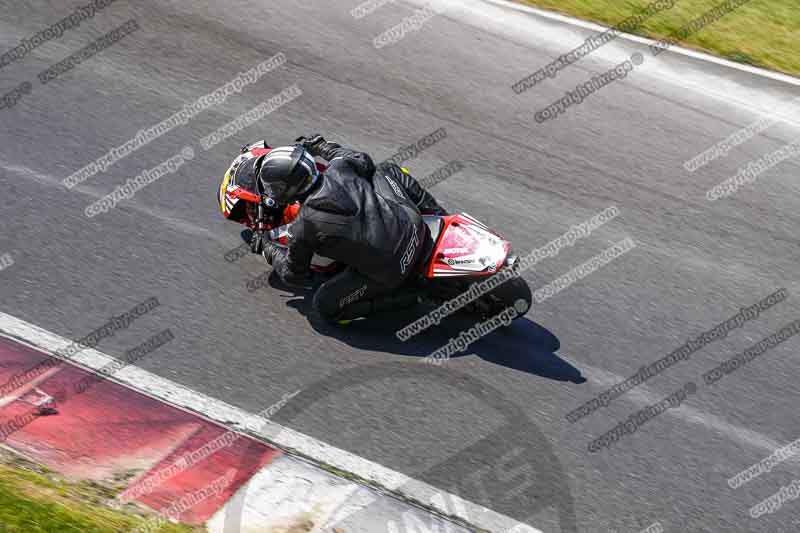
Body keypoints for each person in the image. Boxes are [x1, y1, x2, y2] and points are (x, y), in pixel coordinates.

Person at [218, 135, 448, 323]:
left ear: (286, 189)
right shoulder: (340, 169)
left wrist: (267, 247)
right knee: (385, 169)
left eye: (273, 187)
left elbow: (294, 275)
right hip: (415, 224)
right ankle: (441, 218)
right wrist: (321, 146)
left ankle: (416, 295)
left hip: (393, 269)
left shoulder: (303, 227)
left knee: (325, 307)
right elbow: (361, 159)